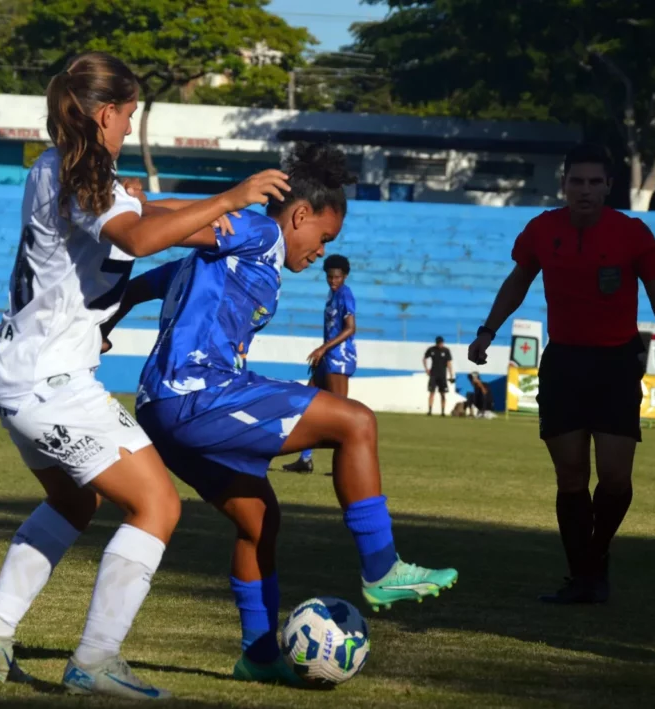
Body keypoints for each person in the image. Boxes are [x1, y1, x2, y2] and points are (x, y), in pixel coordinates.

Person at [0, 52, 291, 700]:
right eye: (129, 114)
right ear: (106, 113)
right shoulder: (88, 176)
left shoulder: (52, 165)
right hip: (50, 379)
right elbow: (136, 238)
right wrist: (229, 198)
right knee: (158, 504)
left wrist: (194, 213)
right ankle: (95, 658)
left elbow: (130, 219)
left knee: (75, 500)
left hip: (14, 367)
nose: (131, 126)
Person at [107, 143, 458, 686]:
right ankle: (382, 566)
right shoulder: (262, 233)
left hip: (159, 407)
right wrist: (138, 208)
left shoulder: (225, 255)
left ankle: (260, 655)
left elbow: (146, 281)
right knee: (357, 422)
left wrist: (106, 316)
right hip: (199, 394)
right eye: (324, 237)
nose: (321, 252)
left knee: (259, 520)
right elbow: (188, 224)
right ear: (299, 216)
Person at [468, 143, 655, 605]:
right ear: (564, 184)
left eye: (595, 182)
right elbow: (517, 282)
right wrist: (487, 330)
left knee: (614, 479)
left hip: (616, 365)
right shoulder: (542, 229)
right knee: (571, 478)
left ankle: (596, 554)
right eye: (577, 181)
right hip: (564, 364)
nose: (585, 190)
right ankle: (582, 578)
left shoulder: (632, 233)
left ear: (609, 186)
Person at [282, 254, 357, 473]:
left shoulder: (345, 294)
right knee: (307, 403)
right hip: (327, 359)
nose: (333, 281)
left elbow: (350, 328)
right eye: (330, 277)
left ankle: (346, 466)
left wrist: (323, 348)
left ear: (345, 276)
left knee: (341, 414)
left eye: (337, 277)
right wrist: (323, 354)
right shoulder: (333, 295)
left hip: (339, 359)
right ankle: (305, 459)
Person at [424, 336, 454, 416]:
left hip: (442, 375)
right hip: (433, 374)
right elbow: (424, 358)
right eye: (439, 343)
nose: (440, 344)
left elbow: (449, 363)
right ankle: (430, 411)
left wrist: (451, 375)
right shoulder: (431, 349)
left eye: (441, 343)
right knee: (432, 392)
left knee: (443, 393)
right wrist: (426, 369)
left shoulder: (446, 350)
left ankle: (443, 412)